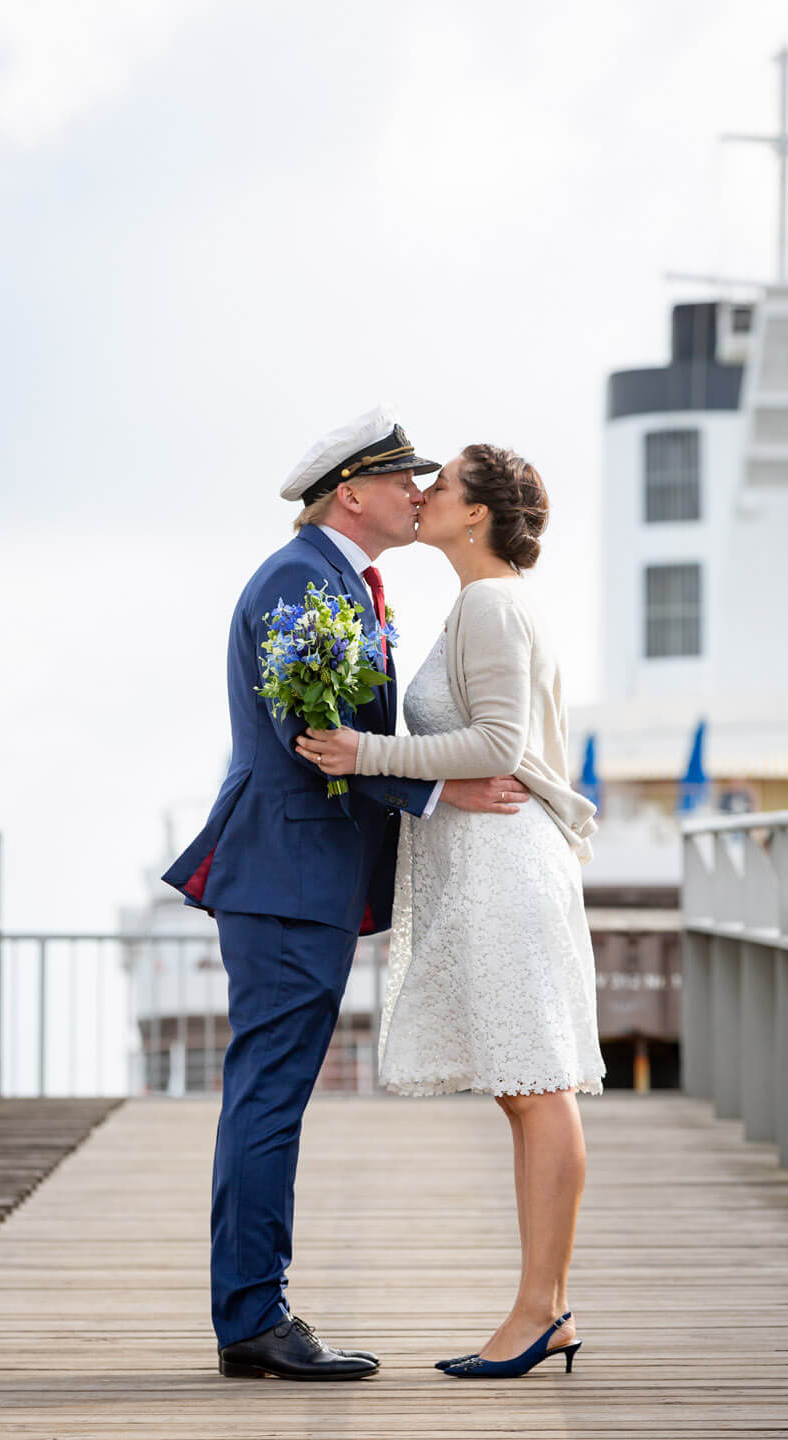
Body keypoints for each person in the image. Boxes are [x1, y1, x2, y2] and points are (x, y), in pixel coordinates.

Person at [162, 406, 529, 1381]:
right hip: (286, 878)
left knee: (270, 1094)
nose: (418, 492)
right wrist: (441, 792)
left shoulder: (337, 582)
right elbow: (314, 741)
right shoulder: (301, 580)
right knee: (270, 1098)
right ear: (351, 494)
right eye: (403, 479)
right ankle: (253, 1318)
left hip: (299, 877)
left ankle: (253, 1311)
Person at [297, 443, 605, 1379]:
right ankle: (542, 1307)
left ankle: (542, 1311)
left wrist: (368, 753)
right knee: (525, 1088)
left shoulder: (491, 604)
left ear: (476, 514)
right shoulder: (482, 601)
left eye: (443, 485)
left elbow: (499, 745)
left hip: (507, 865)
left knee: (537, 1085)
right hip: (489, 864)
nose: (423, 493)